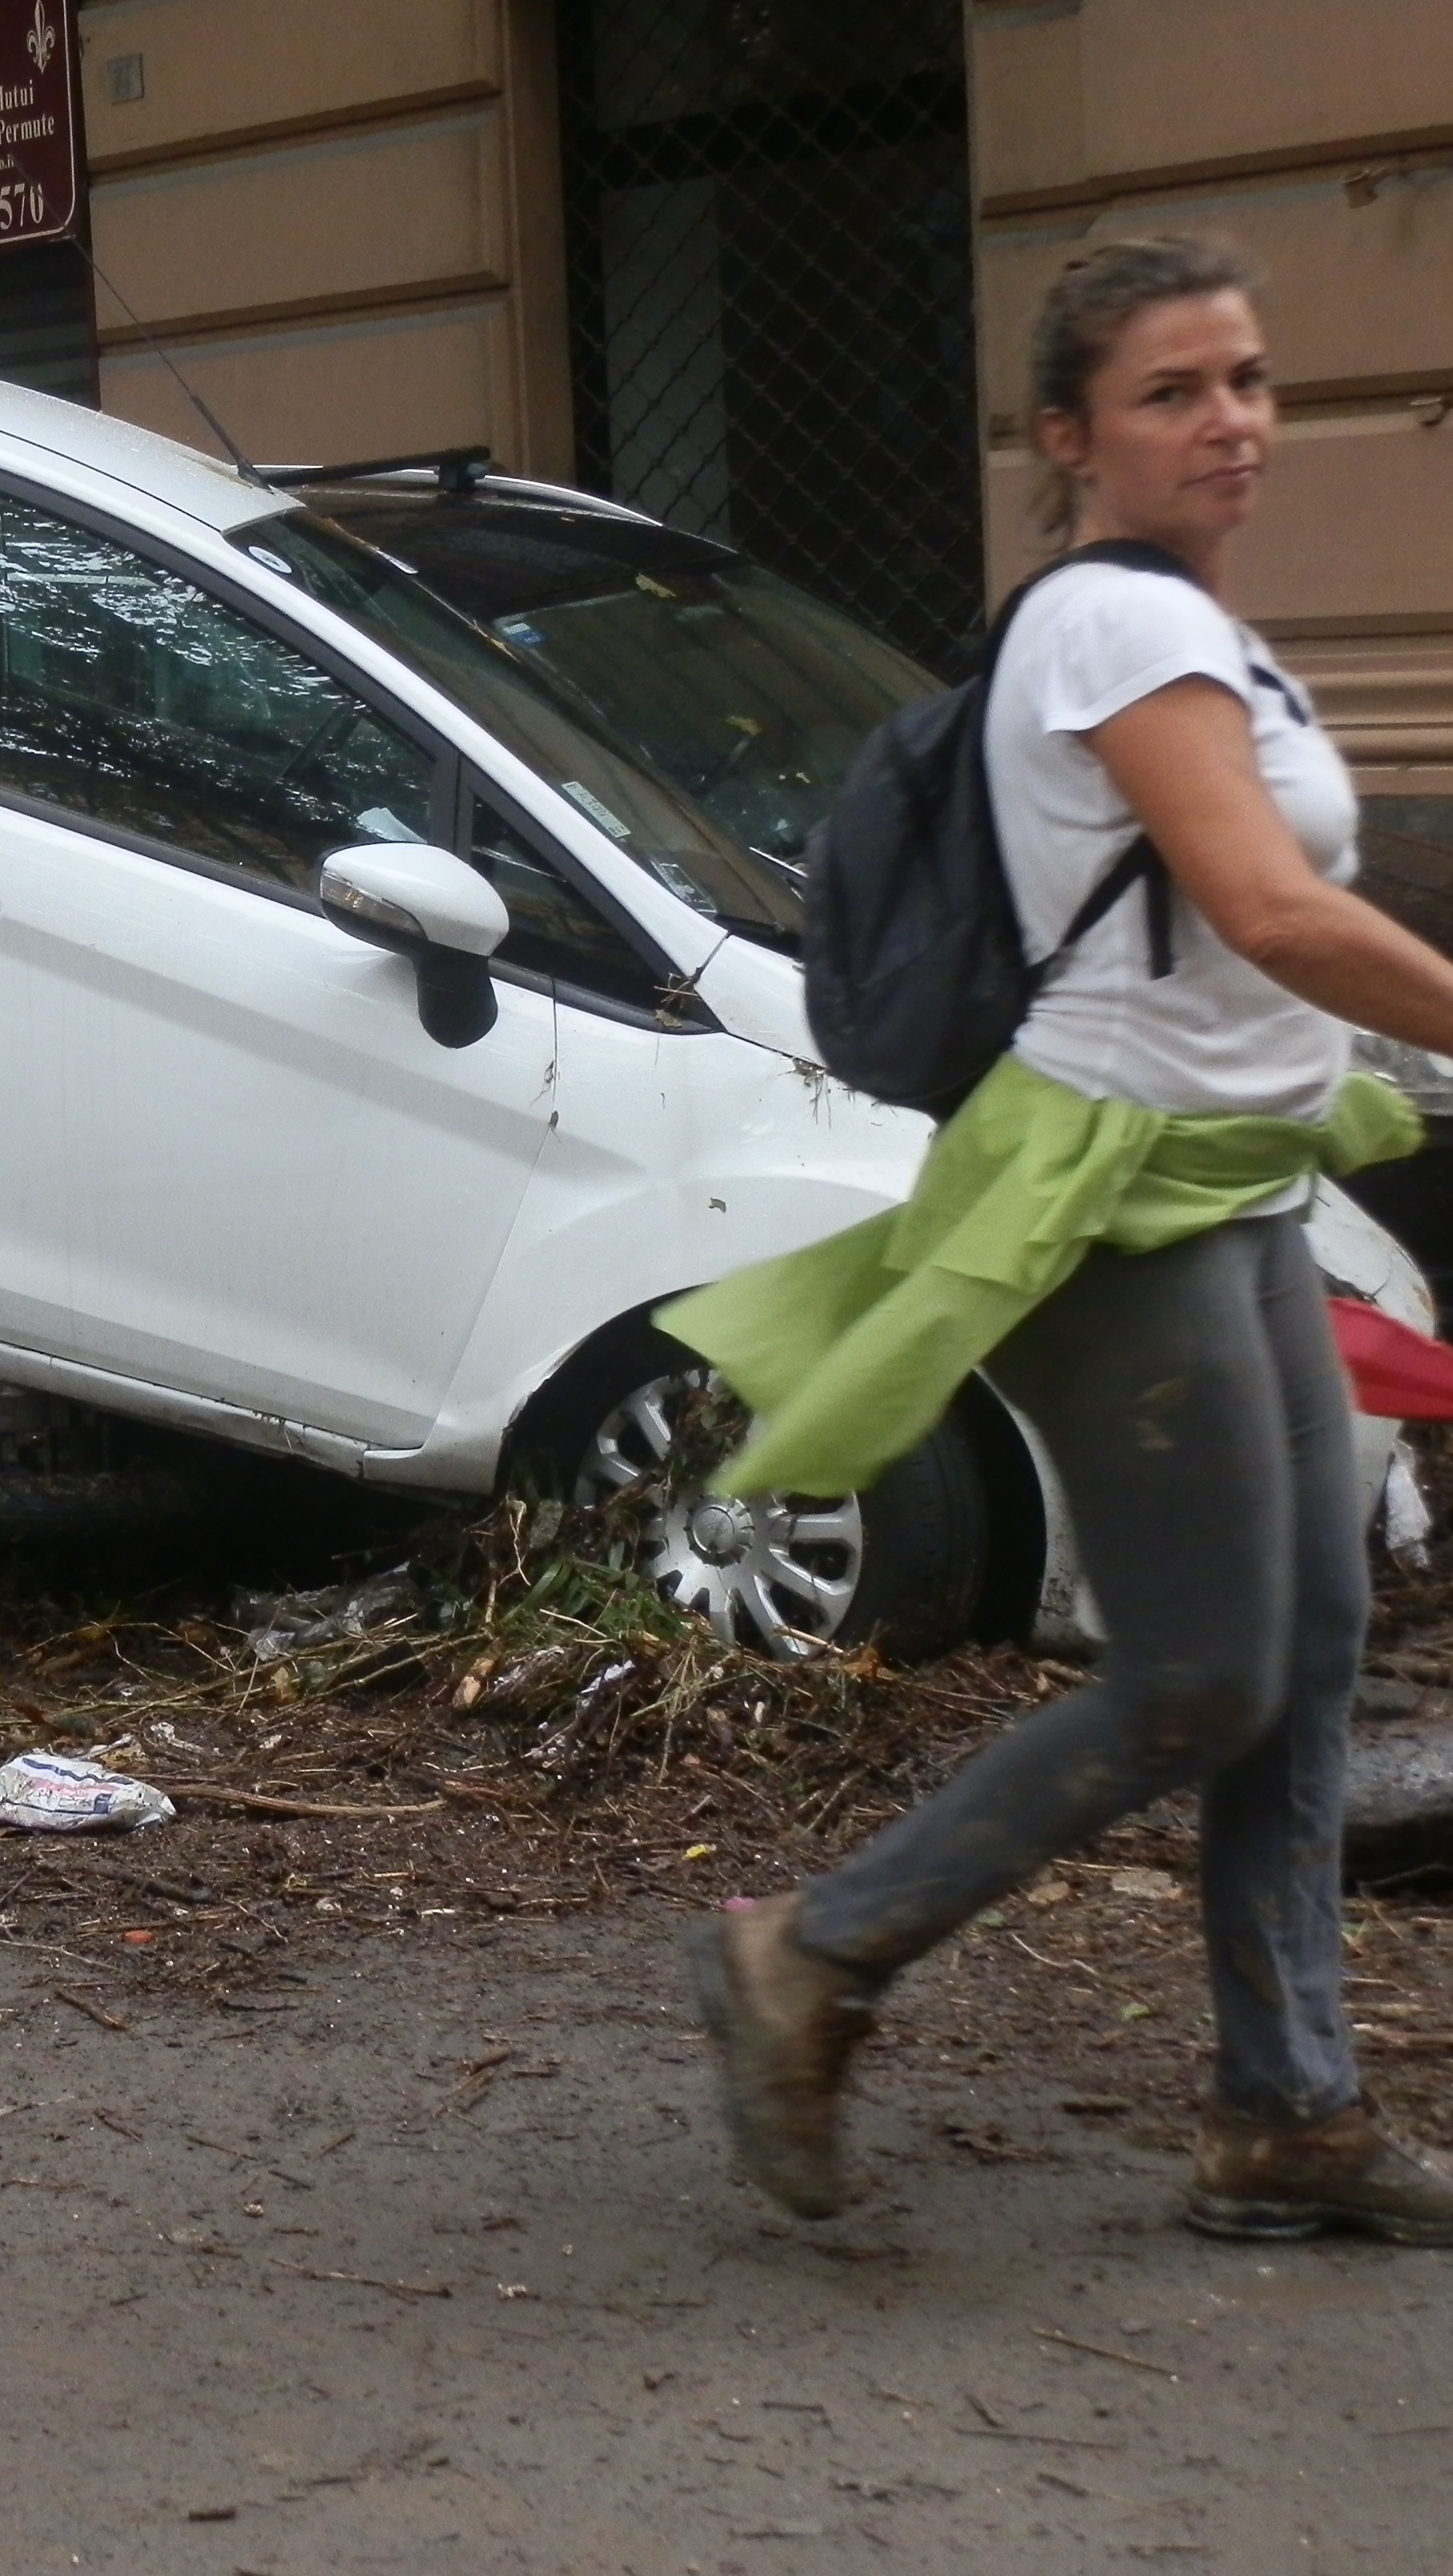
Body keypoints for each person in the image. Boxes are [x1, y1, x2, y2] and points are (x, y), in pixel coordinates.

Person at [664, 235, 1453, 2241]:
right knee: (1195, 1675)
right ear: (1066, 435)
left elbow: (1250, 942)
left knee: (1301, 1648)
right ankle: (811, 1954)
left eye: (1249, 379)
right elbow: (1269, 912)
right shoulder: (1109, 625)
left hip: (1232, 1184)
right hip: (1114, 1209)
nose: (1230, 423)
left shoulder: (1196, 630)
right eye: (1173, 390)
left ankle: (1285, 2112)